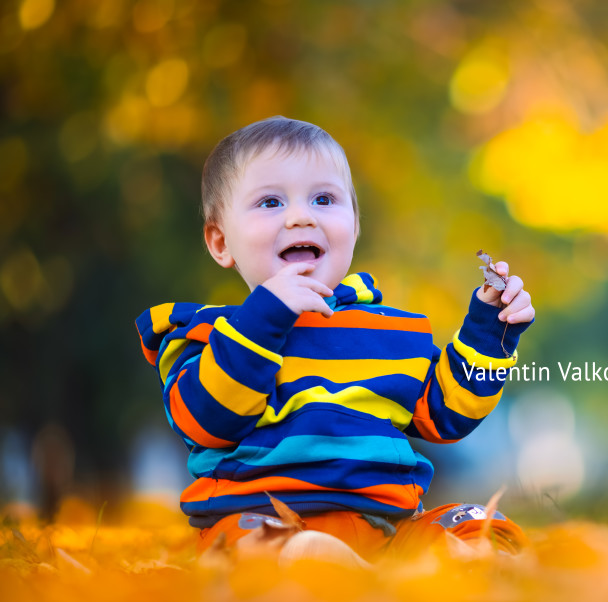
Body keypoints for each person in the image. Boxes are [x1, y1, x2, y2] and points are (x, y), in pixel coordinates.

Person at [135, 116, 535, 561]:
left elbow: (446, 415)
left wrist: (489, 330)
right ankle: (322, 569)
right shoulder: (206, 336)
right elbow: (205, 419)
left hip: (386, 527)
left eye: (324, 199)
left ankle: (469, 567)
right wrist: (264, 318)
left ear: (355, 224)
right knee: (255, 547)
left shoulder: (391, 332)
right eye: (270, 202)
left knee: (479, 523)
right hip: (265, 519)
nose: (301, 216)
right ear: (221, 242)